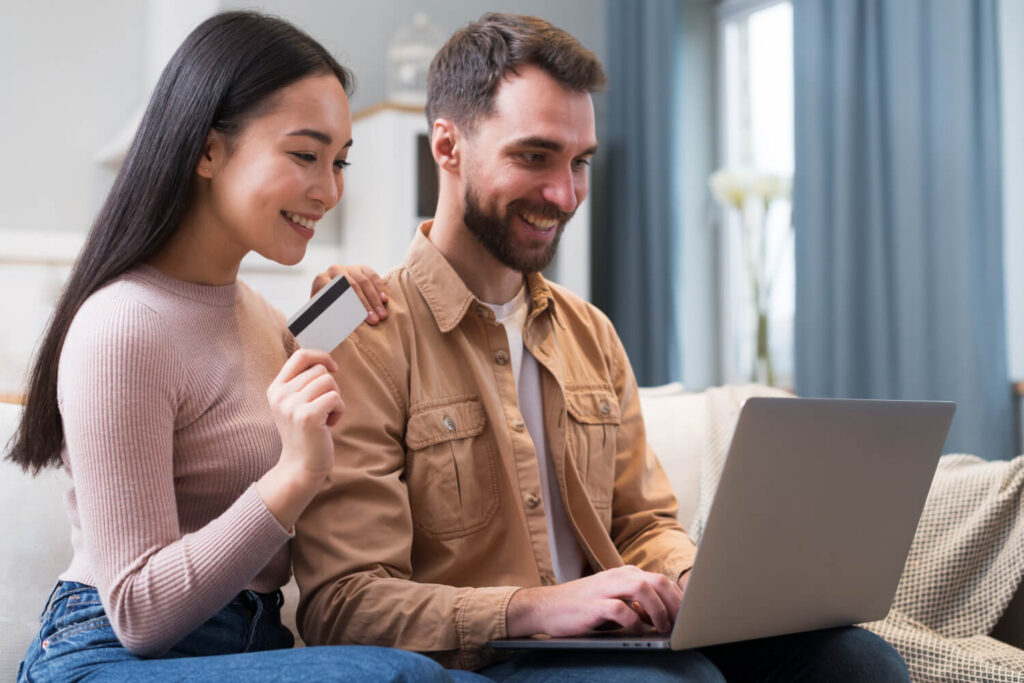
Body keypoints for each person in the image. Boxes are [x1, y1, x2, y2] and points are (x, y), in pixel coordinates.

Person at [292, 12, 911, 681]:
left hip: (614, 641)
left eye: (579, 161)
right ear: (447, 147)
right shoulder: (366, 337)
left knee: (859, 662)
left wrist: (696, 580)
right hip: (491, 657)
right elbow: (345, 606)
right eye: (533, 156)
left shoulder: (591, 334)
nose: (563, 194)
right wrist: (537, 607)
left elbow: (643, 522)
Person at [9, 11, 481, 682]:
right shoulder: (120, 325)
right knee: (400, 677)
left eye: (339, 161)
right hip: (107, 657)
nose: (329, 189)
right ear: (207, 150)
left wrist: (337, 321)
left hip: (243, 646)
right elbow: (138, 612)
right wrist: (292, 476)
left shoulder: (264, 320)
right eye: (304, 154)